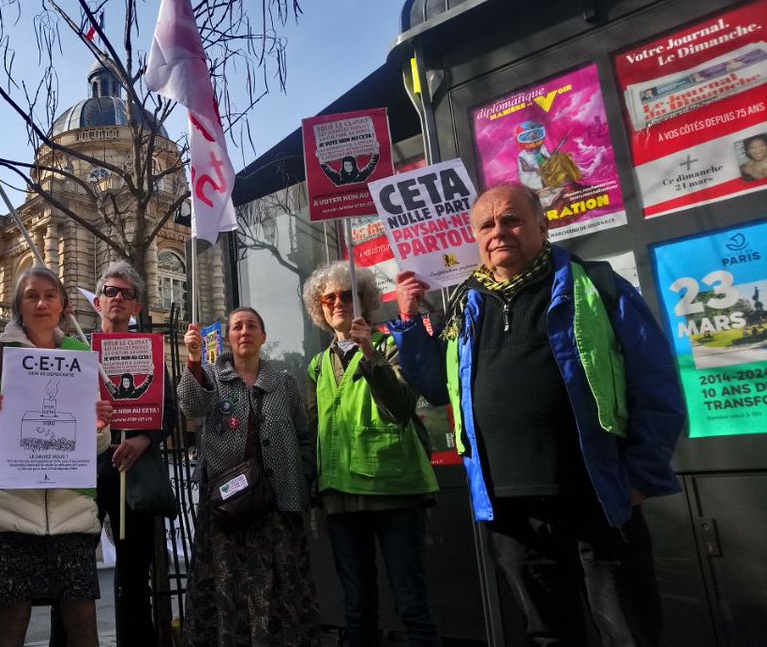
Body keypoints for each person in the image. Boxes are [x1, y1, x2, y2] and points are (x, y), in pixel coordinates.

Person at [390, 184, 685, 646]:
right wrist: (409, 321)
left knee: (629, 633)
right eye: (487, 225)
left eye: (511, 219)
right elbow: (436, 388)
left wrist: (642, 476)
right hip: (510, 510)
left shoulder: (598, 286)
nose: (499, 232)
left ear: (542, 226)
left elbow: (657, 382)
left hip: (600, 498)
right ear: (476, 238)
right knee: (548, 635)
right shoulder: (466, 306)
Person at [0, 266, 113, 647]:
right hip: (10, 510)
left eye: (49, 295)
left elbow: (98, 446)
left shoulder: (81, 356)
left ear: (63, 305)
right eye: (31, 295)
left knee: (83, 622)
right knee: (13, 621)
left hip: (72, 509)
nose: (41, 303)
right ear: (18, 306)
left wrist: (99, 427)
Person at [301, 261, 441, 647]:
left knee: (412, 604)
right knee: (357, 607)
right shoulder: (317, 365)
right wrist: (314, 491)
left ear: (364, 299)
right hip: (341, 498)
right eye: (327, 298)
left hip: (394, 490)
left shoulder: (390, 344)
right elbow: (315, 431)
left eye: (346, 295)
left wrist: (370, 356)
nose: (337, 303)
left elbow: (400, 406)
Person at [49, 261, 178, 647]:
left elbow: (167, 414)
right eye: (111, 291)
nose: (118, 298)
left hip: (132, 479)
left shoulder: (150, 352)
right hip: (84, 477)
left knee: (134, 580)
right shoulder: (77, 348)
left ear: (137, 306)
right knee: (71, 577)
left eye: (127, 293)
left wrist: (144, 439)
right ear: (98, 301)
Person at [178, 307, 320, 647]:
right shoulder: (212, 376)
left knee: (280, 586)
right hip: (228, 510)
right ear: (228, 337)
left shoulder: (283, 382)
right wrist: (194, 362)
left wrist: (302, 480)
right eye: (237, 327)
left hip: (276, 508)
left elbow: (303, 435)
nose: (244, 332)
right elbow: (191, 406)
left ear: (263, 337)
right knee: (231, 588)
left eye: (252, 326)